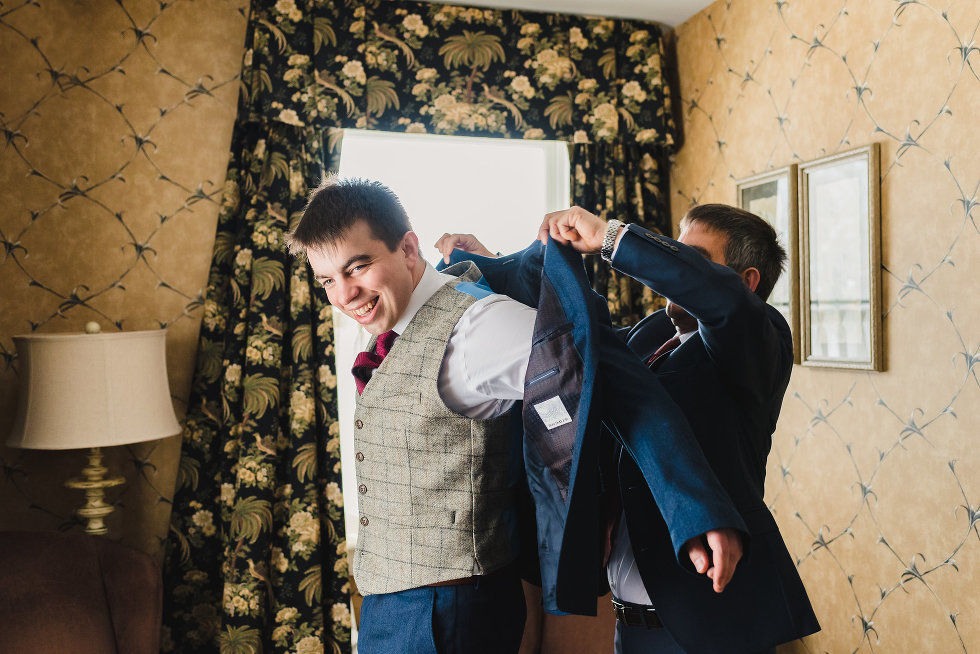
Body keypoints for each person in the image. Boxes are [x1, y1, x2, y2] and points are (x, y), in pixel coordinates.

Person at [287, 177, 748, 654]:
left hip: (446, 616)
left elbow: (620, 389)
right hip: (400, 609)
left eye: (357, 267)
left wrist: (695, 509)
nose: (344, 295)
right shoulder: (395, 313)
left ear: (407, 249)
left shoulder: (478, 329)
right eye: (327, 281)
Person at [437, 203, 820, 654]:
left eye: (689, 256)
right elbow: (567, 333)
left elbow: (723, 303)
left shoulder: (758, 341)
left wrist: (614, 238)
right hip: (630, 625)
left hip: (710, 624)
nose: (671, 259)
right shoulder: (650, 334)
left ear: (747, 282)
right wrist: (498, 264)